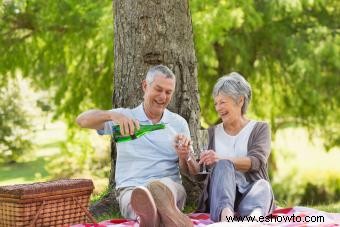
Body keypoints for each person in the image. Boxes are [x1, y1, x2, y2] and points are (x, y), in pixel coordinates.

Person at [76, 65, 193, 227]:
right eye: (158, 89)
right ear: (145, 86)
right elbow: (81, 120)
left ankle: (150, 217)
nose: (162, 96)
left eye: (168, 92)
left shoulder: (178, 123)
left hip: (169, 186)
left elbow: (189, 171)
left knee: (164, 188)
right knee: (137, 198)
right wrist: (111, 115)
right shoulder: (124, 117)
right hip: (132, 188)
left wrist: (184, 156)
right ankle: (158, 216)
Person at [177, 72, 275, 222]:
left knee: (263, 186)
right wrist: (187, 156)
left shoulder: (260, 129)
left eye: (222, 102)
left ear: (240, 100)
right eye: (216, 103)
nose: (218, 108)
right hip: (220, 200)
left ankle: (254, 221)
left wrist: (221, 158)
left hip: (250, 196)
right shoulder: (211, 133)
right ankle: (226, 219)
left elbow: (256, 162)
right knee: (222, 166)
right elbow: (198, 174)